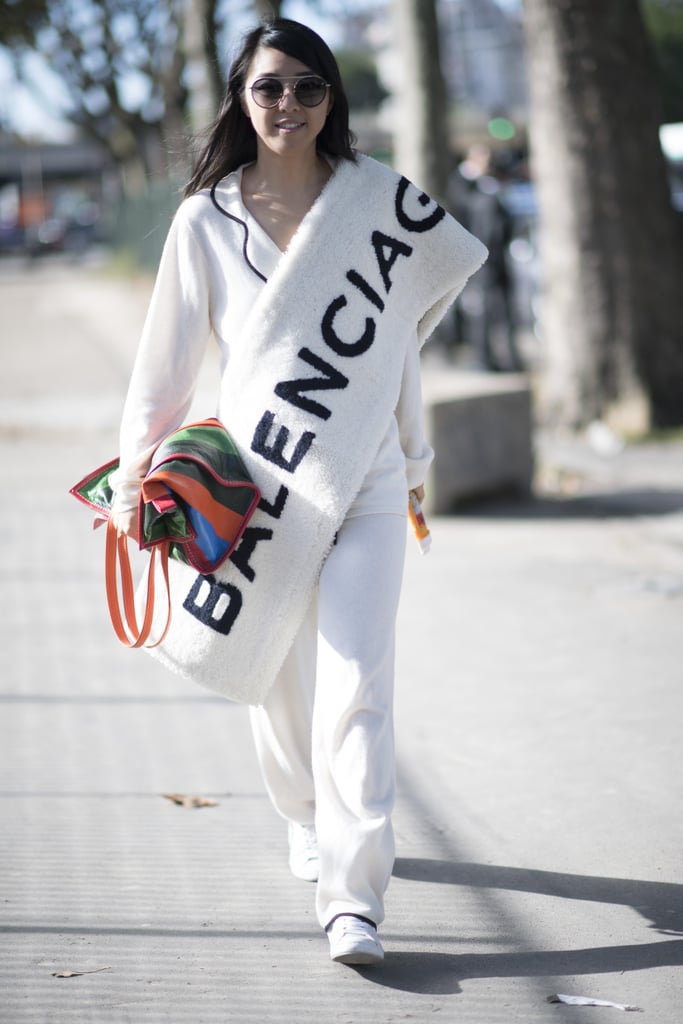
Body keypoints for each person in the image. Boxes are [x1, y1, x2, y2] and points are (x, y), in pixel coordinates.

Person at [109, 19, 486, 966]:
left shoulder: (375, 202)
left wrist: (413, 462)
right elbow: (164, 371)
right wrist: (132, 473)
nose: (288, 106)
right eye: (270, 88)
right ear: (241, 95)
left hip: (359, 480)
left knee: (357, 685)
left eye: (308, 89)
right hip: (257, 488)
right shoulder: (207, 220)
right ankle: (305, 814)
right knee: (275, 681)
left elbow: (394, 344)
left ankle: (352, 898)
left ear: (333, 101)